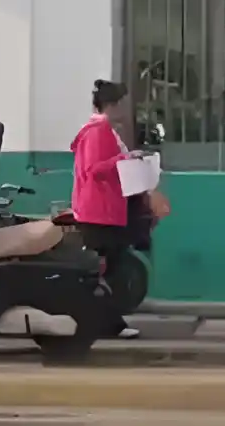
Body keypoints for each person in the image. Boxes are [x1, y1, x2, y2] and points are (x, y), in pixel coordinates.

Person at [70, 79, 140, 339]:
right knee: (107, 272)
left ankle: (104, 323)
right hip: (99, 212)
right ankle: (108, 324)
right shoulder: (99, 130)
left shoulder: (102, 129)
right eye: (123, 103)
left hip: (102, 210)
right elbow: (94, 169)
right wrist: (126, 158)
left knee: (107, 271)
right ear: (113, 104)